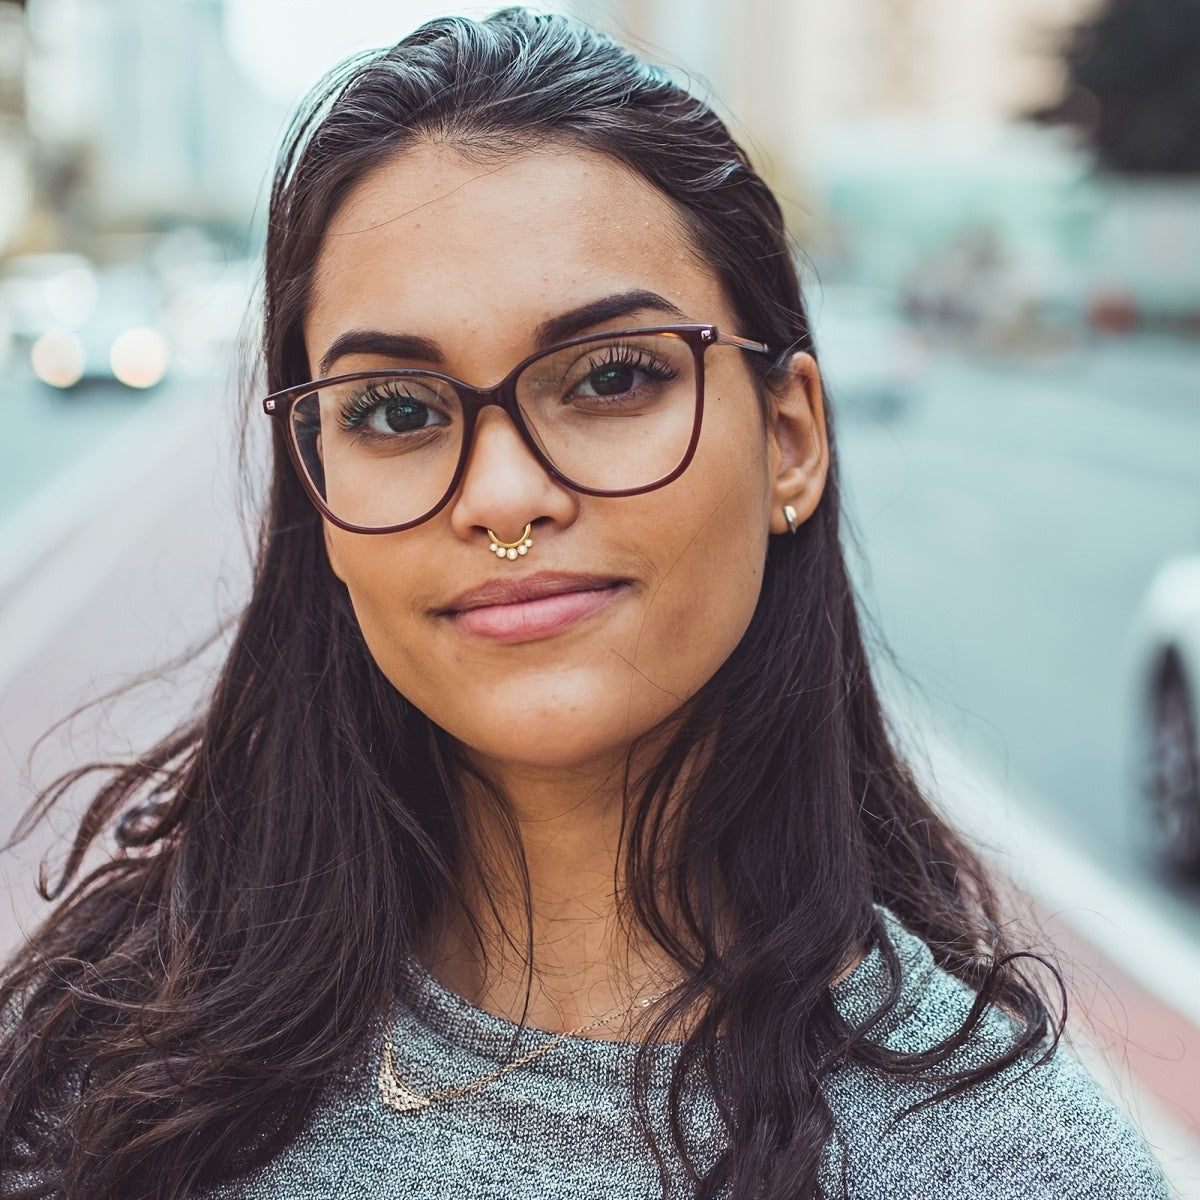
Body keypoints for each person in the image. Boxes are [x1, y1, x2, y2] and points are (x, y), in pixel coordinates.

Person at [0, 9, 1173, 1200]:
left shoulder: (1015, 1164)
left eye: (614, 378)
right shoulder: (101, 1070)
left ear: (789, 440)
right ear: (318, 493)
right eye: (396, 410)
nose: (504, 501)